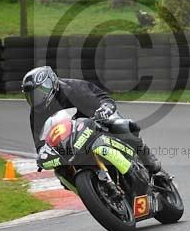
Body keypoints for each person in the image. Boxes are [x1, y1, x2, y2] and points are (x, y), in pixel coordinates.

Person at [22, 66, 162, 174]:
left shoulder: (71, 89)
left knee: (121, 127)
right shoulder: (36, 112)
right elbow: (40, 142)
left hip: (96, 117)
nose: (36, 99)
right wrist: (42, 156)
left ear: (50, 84)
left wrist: (104, 109)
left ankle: (146, 157)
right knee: (61, 170)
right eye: (32, 96)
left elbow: (101, 100)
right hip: (72, 139)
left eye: (39, 93)